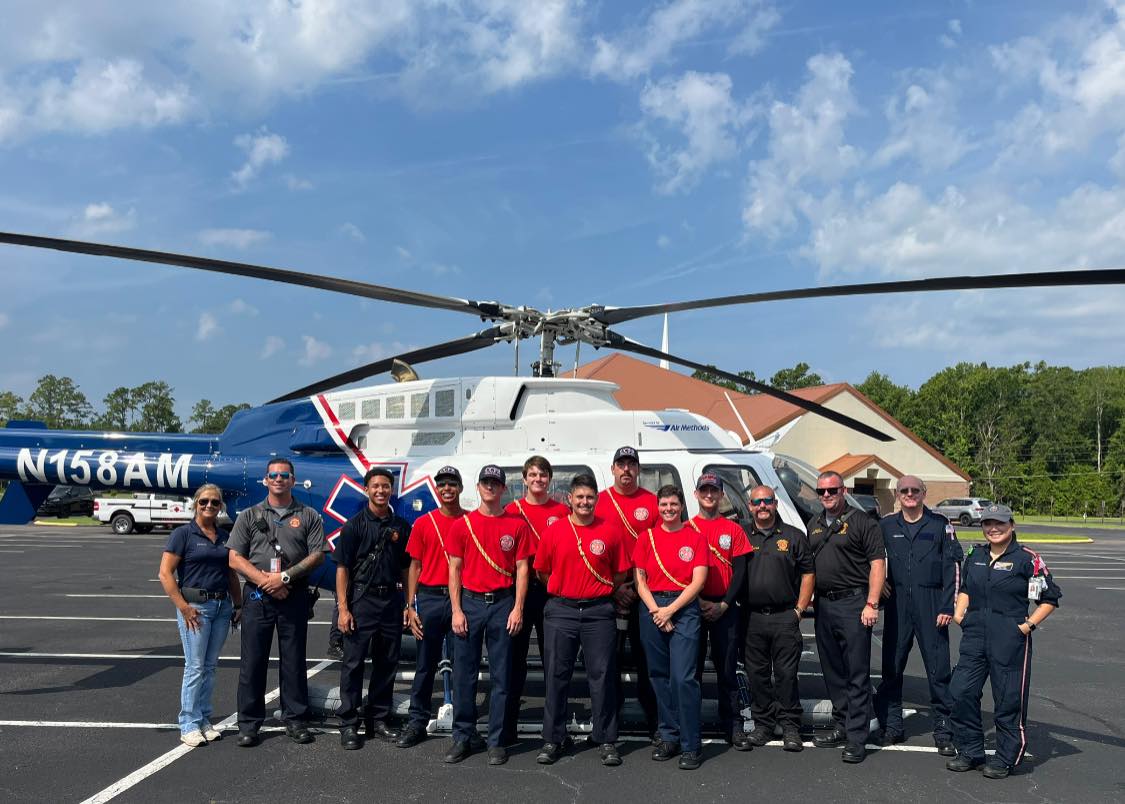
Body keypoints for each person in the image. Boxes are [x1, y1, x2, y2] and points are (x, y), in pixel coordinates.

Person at [946, 504, 1060, 779]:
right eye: (988, 523)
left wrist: (1026, 626)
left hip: (1009, 638)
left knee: (1008, 699)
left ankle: (1006, 757)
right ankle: (971, 750)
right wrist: (960, 614)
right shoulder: (975, 554)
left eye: (999, 523)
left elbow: (1049, 598)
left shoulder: (1027, 559)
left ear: (1012, 525)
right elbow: (966, 588)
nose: (993, 528)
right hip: (974, 636)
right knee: (960, 692)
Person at [227, 458, 327, 747]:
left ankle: (295, 720)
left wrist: (283, 578)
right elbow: (235, 558)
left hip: (293, 595)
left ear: (293, 480)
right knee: (252, 662)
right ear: (266, 480)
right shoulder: (249, 515)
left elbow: (317, 555)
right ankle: (249, 724)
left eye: (284, 475)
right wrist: (265, 581)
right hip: (258, 597)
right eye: (273, 475)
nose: (279, 479)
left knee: (294, 661)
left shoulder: (308, 515)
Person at [534, 473, 630, 767]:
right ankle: (554, 738)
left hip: (598, 612)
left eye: (589, 497)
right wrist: (566, 589)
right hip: (561, 610)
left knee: (602, 677)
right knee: (556, 675)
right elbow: (542, 571)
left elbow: (620, 573)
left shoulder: (610, 531)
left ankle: (605, 738)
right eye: (580, 497)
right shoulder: (555, 531)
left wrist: (596, 590)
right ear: (570, 499)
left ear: (596, 500)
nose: (585, 502)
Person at [444, 465, 532, 766]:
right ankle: (462, 737)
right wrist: (456, 610)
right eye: (486, 482)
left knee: (501, 676)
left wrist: (518, 607)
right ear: (478, 486)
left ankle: (497, 740)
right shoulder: (463, 525)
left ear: (504, 488)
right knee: (464, 676)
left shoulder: (517, 525)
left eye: (496, 482)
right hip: (470, 603)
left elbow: (522, 569)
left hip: (502, 604)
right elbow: (454, 569)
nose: (490, 487)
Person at [874, 476, 964, 754]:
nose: (910, 494)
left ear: (924, 493)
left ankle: (944, 729)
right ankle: (893, 726)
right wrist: (877, 583)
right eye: (905, 490)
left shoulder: (940, 525)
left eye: (915, 490)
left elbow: (953, 565)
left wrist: (948, 605)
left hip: (932, 604)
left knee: (938, 670)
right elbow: (871, 558)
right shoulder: (886, 525)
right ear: (897, 494)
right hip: (897, 604)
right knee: (892, 668)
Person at [807, 471, 886, 763]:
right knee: (833, 671)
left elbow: (877, 564)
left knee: (856, 672)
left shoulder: (863, 522)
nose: (826, 495)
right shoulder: (814, 524)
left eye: (832, 490)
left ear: (844, 490)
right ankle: (841, 725)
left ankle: (857, 737)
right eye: (821, 491)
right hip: (824, 605)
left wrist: (871, 603)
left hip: (854, 603)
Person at [158, 484, 242, 747]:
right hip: (196, 608)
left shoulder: (225, 536)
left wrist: (238, 604)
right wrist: (183, 607)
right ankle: (188, 723)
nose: (209, 506)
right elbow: (165, 573)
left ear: (221, 506)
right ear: (195, 503)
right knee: (195, 667)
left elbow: (231, 573)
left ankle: (204, 719)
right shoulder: (183, 534)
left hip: (222, 608)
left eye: (215, 502)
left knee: (210, 666)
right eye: (204, 501)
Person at [335, 467, 412, 749]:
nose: (381, 491)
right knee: (353, 663)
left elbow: (406, 568)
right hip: (362, 599)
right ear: (366, 489)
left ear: (392, 490)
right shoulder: (354, 525)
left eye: (386, 486)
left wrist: (408, 604)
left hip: (391, 600)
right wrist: (344, 609)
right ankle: (349, 723)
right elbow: (342, 569)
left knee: (387, 662)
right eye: (376, 486)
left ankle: (378, 719)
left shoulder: (401, 526)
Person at [633, 484, 709, 770]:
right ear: (658, 507)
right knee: (658, 676)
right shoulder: (646, 538)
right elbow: (640, 580)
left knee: (683, 678)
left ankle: (691, 744)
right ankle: (669, 736)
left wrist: (670, 610)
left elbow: (698, 581)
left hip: (683, 608)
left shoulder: (695, 538)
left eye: (673, 504)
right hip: (652, 607)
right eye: (664, 504)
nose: (668, 509)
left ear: (682, 506)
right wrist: (657, 611)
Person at [503, 455, 569, 746]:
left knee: (553, 661)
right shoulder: (511, 510)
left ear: (549, 479)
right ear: (524, 479)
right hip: (519, 591)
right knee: (513, 661)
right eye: (532, 474)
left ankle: (555, 731)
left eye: (543, 475)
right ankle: (507, 728)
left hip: (551, 591)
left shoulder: (562, 511)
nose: (538, 479)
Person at [742, 484, 814, 752]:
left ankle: (791, 727)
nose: (762, 506)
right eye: (757, 502)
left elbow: (808, 573)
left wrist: (799, 610)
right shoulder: (741, 535)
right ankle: (763, 725)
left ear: (775, 504)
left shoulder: (794, 536)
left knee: (786, 674)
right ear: (750, 506)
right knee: (757, 675)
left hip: (785, 616)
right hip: (752, 617)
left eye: (767, 501)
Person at [595, 445, 660, 741]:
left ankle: (655, 723)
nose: (626, 469)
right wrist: (615, 587)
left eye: (631, 464)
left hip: (644, 594)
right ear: (612, 469)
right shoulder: (599, 501)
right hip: (609, 593)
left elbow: (661, 547)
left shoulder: (652, 502)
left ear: (638, 469)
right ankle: (609, 723)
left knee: (648, 660)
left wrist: (635, 587)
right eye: (620, 464)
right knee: (608, 662)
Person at [397, 465, 464, 749]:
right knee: (425, 664)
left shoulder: (470, 520)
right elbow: (414, 566)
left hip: (461, 599)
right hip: (431, 598)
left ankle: (464, 724)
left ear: (460, 488)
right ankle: (417, 721)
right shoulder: (424, 523)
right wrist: (411, 605)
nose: (447, 489)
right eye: (442, 484)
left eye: (452, 484)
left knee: (463, 663)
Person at [690, 473, 753, 748]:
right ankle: (690, 725)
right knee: (691, 671)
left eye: (714, 491)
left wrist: (724, 604)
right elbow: (681, 573)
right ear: (696, 494)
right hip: (693, 606)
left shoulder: (733, 530)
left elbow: (740, 572)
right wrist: (699, 601)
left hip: (725, 607)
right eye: (704, 490)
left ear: (721, 494)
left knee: (727, 670)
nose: (709, 495)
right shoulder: (686, 528)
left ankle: (733, 726)